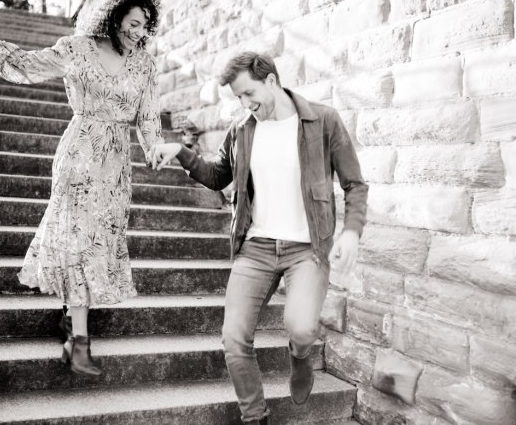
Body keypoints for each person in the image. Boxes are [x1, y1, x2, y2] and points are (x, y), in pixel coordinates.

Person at [150, 52, 368, 424]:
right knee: (234, 338)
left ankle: (300, 355)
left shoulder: (323, 120)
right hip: (256, 248)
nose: (245, 104)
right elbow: (217, 176)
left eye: (249, 93)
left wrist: (351, 231)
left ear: (271, 81)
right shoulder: (242, 129)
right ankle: (255, 417)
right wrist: (180, 152)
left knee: (301, 328)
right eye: (238, 97)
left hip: (307, 250)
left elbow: (355, 184)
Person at [0, 0, 163, 377]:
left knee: (98, 242)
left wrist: (155, 149)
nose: (138, 32)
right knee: (78, 240)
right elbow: (26, 65)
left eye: (145, 26)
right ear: (114, 18)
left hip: (116, 166)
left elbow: (149, 119)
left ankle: (71, 321)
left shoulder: (145, 64)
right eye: (133, 23)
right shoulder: (78, 48)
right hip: (79, 154)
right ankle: (80, 342)